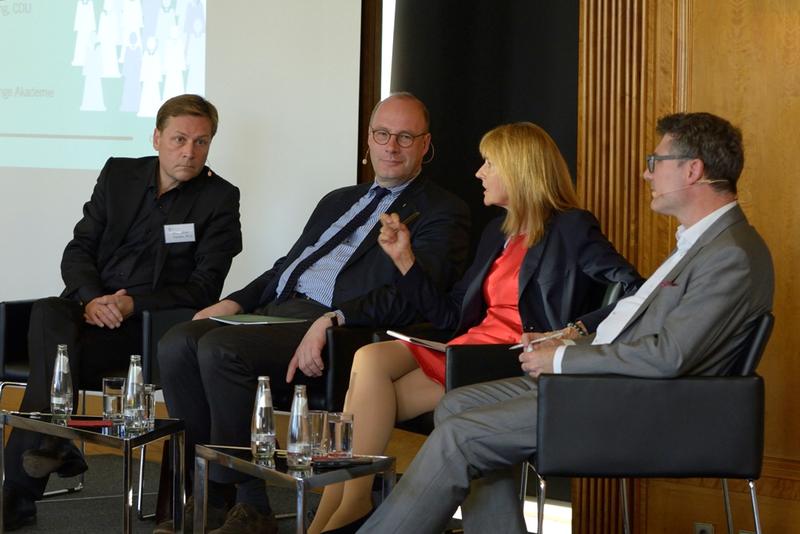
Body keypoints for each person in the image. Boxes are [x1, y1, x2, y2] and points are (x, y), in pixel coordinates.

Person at [357, 112, 776, 534]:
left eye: (656, 161)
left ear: (693, 170)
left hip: (632, 402)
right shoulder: (701, 243)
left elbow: (668, 356)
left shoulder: (731, 256)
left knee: (461, 434)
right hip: (603, 379)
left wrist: (563, 356)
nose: (645, 174)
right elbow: (639, 329)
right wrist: (565, 343)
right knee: (456, 404)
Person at [155, 92, 471, 533]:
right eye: (382, 134)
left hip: (345, 328)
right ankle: (214, 492)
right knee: (178, 342)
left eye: (404, 137)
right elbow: (287, 267)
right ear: (368, 140)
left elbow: (416, 296)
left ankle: (247, 502)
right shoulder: (339, 199)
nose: (391, 146)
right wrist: (234, 301)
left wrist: (333, 318)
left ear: (425, 144)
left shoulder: (442, 212)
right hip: (282, 311)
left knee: (222, 349)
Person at [307, 121, 643, 534]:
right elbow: (451, 317)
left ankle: (345, 508)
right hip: (468, 347)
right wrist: (405, 259)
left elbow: (635, 292)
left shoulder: (571, 227)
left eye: (489, 164)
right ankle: (345, 507)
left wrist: (571, 331)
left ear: (519, 170)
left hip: (509, 358)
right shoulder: (497, 232)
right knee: (370, 367)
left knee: (370, 380)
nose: (479, 173)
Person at [2, 94, 243, 530]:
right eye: (179, 139)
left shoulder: (219, 199)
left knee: (53, 365)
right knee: (49, 312)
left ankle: (26, 482)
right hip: (89, 316)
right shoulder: (119, 174)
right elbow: (79, 249)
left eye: (201, 141)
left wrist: (132, 304)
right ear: (156, 138)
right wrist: (93, 299)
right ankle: (55, 441)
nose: (189, 151)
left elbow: (204, 287)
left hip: (147, 329)